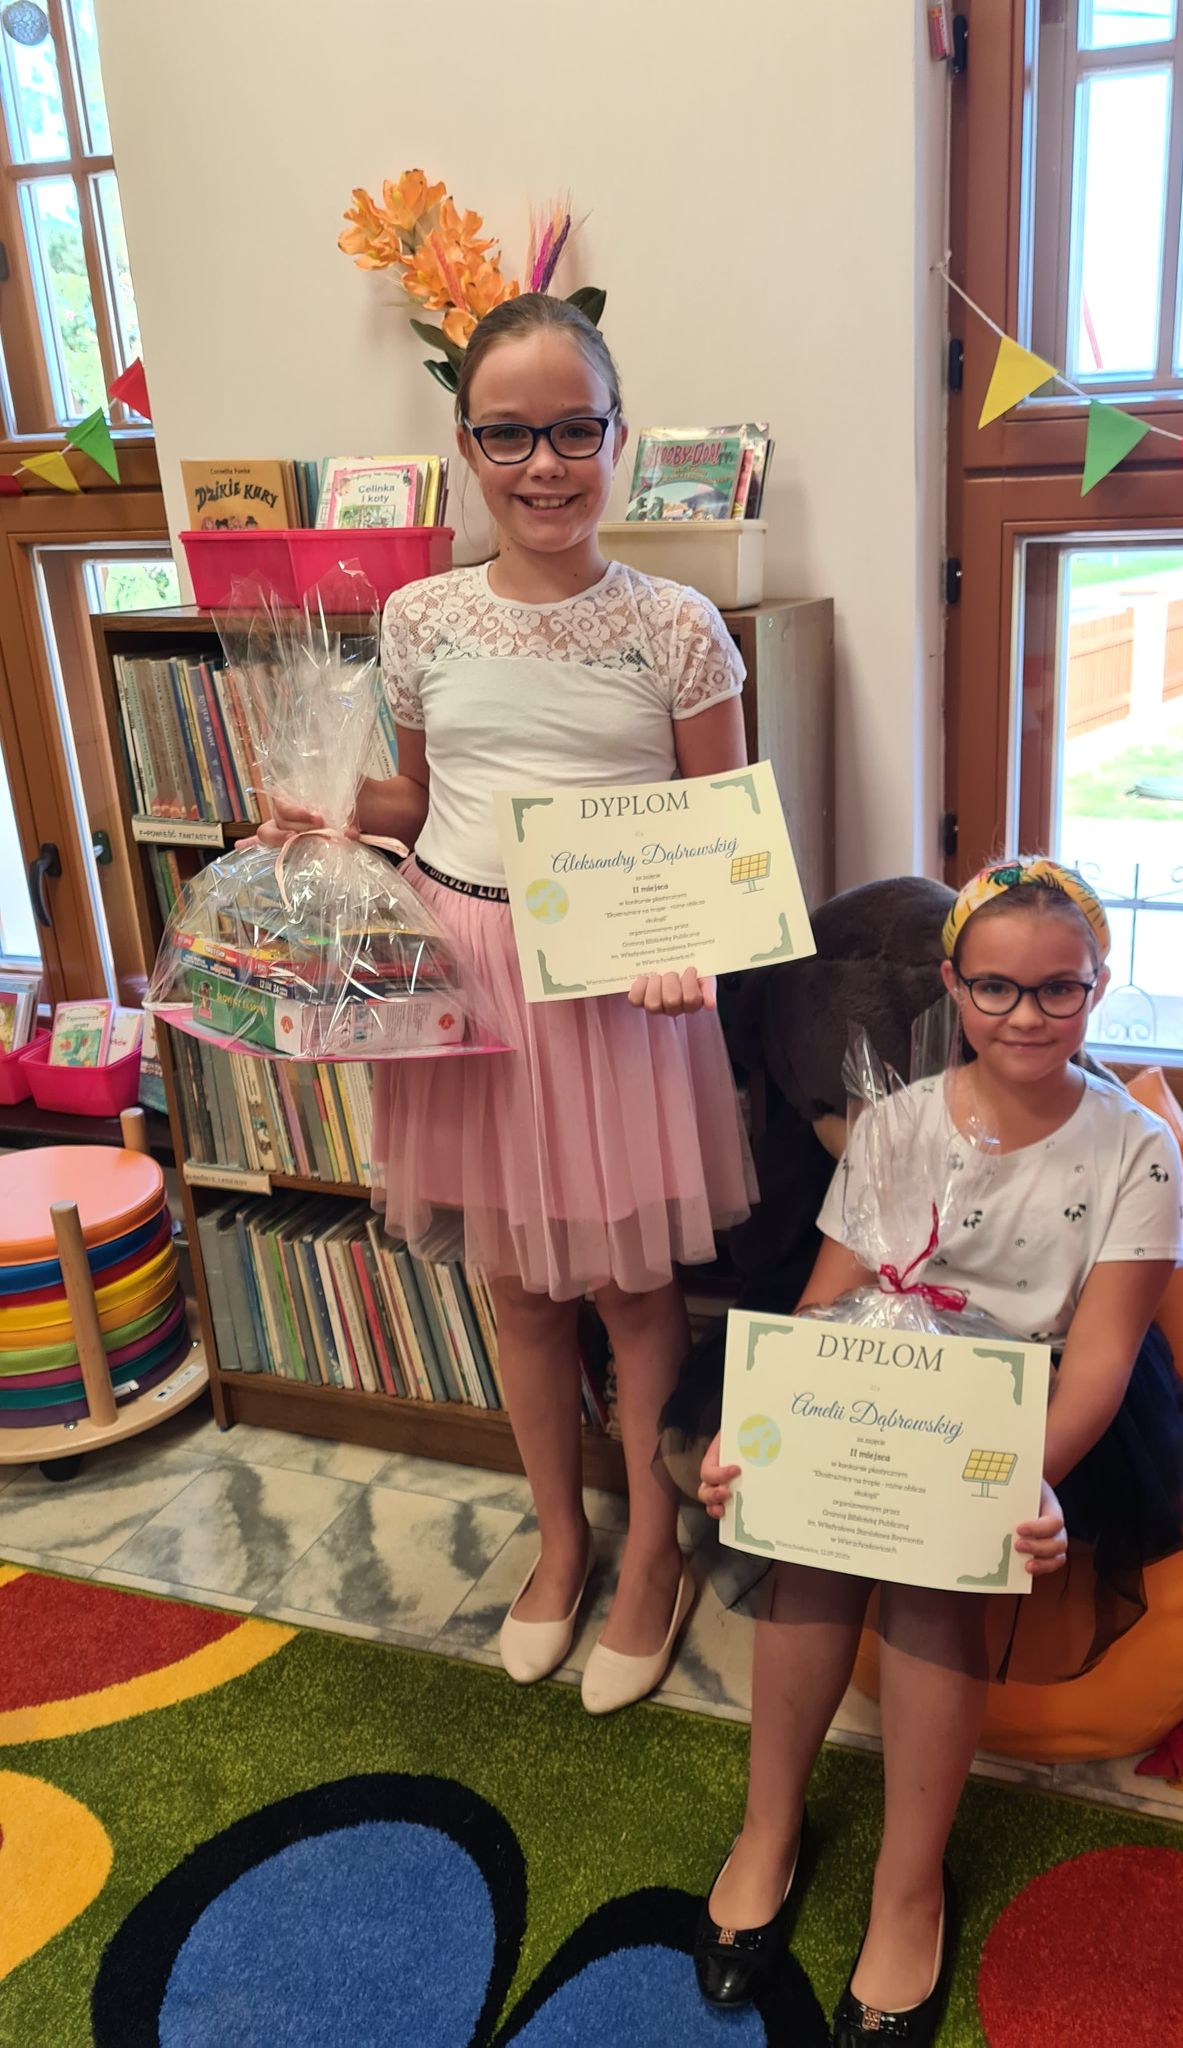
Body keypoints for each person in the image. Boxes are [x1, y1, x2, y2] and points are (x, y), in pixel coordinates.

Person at [259, 293, 756, 1714]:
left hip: (612, 991)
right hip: (466, 975)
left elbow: (727, 835)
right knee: (519, 1289)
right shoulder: (419, 617)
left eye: (574, 430)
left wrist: (694, 944)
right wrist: (332, 808)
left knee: (633, 1288)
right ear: (465, 444)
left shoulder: (676, 626)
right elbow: (425, 798)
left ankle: (652, 1549)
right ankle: (560, 1537)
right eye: (510, 434)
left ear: (618, 435)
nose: (545, 464)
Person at [694, 857, 1183, 2044]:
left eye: (1059, 988)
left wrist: (1027, 1476)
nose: (1027, 1014)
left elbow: (1100, 1362)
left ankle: (909, 1884)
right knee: (807, 1551)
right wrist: (761, 1432)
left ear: (1098, 985)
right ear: (953, 986)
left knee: (935, 1584)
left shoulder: (1134, 1149)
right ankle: (769, 1826)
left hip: (1021, 1414)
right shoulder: (897, 1121)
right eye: (997, 987)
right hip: (872, 1382)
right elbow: (825, 1304)